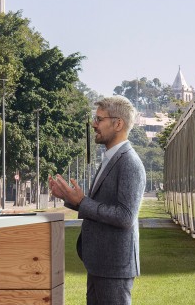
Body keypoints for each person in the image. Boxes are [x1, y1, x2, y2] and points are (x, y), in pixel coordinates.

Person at [49, 95, 146, 305]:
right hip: (100, 263)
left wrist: (82, 201)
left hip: (114, 266)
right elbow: (99, 205)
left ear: (118, 123)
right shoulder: (110, 159)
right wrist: (69, 198)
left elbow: (125, 216)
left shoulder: (129, 163)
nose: (94, 124)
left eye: (99, 119)